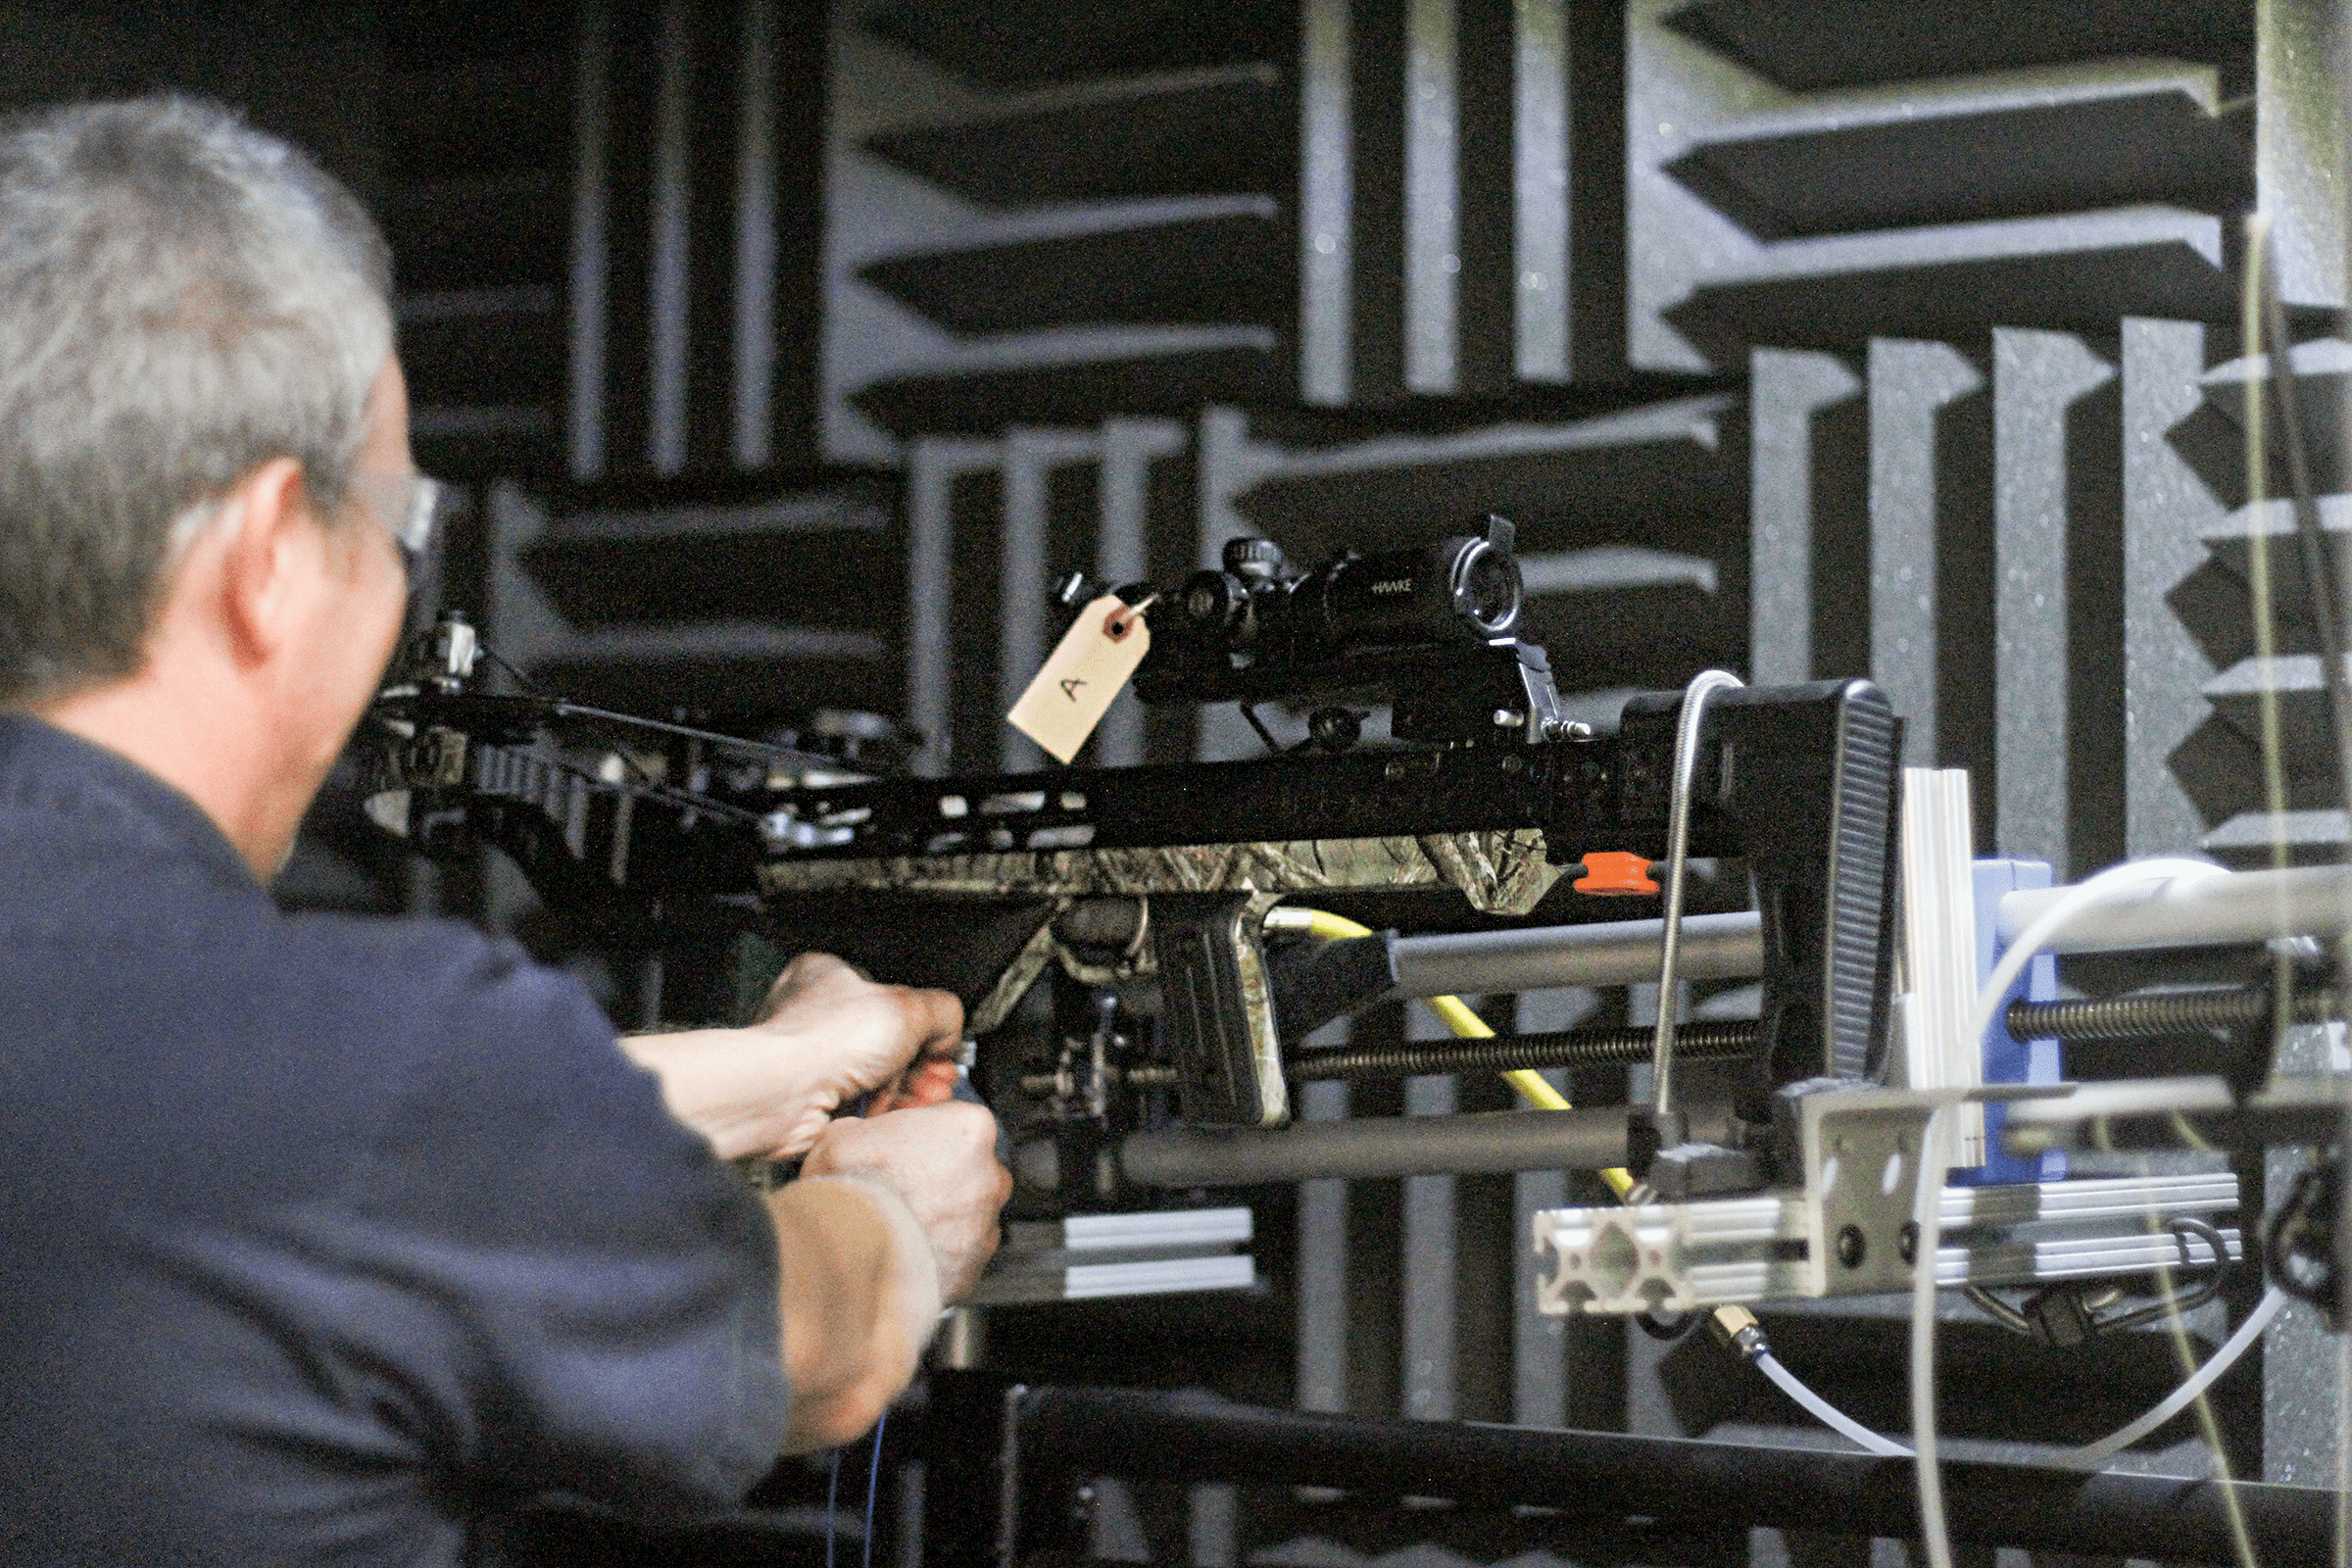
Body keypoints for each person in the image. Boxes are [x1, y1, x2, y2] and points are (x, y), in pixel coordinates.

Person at [0, 94, 1010, 1564]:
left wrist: (768, 1071)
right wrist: (900, 1222)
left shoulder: (299, 1085)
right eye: (400, 532)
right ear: (272, 555)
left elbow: (200, 1143)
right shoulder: (390, 1070)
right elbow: (825, 1346)